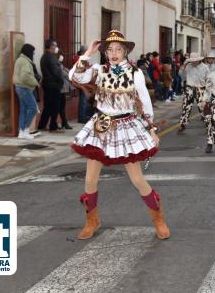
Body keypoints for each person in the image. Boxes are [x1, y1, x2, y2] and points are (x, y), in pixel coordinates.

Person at [69, 30, 169, 240]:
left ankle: (158, 218)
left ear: (125, 52)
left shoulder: (135, 73)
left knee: (137, 179)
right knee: (89, 179)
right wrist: (88, 52)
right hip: (101, 126)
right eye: (110, 50)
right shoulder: (97, 70)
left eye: (118, 49)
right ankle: (92, 221)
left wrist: (151, 128)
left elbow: (144, 102)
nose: (114, 53)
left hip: (126, 127)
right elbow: (75, 76)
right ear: (105, 52)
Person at [13, 44, 40, 139]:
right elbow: (25, 76)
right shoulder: (24, 61)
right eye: (32, 52)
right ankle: (25, 129)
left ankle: (21, 132)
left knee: (23, 110)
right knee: (33, 108)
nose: (33, 54)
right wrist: (36, 82)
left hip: (19, 87)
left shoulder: (21, 60)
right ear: (28, 52)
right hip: (24, 88)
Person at [178, 53, 209, 133]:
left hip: (200, 88)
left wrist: (208, 90)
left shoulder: (205, 67)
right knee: (186, 107)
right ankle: (182, 124)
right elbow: (181, 76)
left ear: (199, 60)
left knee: (202, 108)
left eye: (195, 60)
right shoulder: (188, 66)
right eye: (192, 61)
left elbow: (208, 79)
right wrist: (183, 66)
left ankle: (208, 126)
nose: (194, 62)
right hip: (189, 88)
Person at [38, 39, 64, 133]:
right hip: (53, 85)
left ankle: (42, 125)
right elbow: (56, 72)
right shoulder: (50, 57)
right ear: (51, 46)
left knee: (48, 106)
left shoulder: (45, 56)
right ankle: (53, 126)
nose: (56, 47)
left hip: (48, 84)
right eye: (55, 45)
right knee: (55, 106)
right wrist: (61, 81)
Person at [57, 52, 73, 130]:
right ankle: (64, 123)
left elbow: (69, 73)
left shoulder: (61, 65)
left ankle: (64, 123)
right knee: (60, 107)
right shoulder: (57, 65)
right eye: (60, 56)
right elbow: (66, 74)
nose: (62, 57)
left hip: (64, 89)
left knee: (62, 106)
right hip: (60, 89)